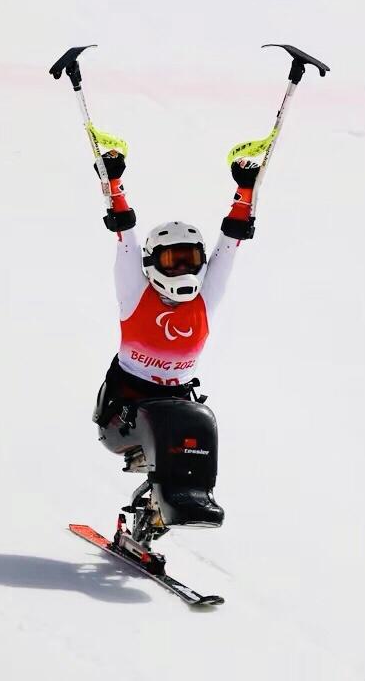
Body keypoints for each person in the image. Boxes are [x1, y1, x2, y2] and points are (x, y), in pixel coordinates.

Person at [91, 149, 259, 545]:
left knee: (199, 420)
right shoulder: (134, 292)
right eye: (172, 261)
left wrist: (245, 188)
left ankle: (182, 505)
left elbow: (231, 244)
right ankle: (163, 504)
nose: (183, 270)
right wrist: (114, 182)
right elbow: (124, 234)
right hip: (121, 413)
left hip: (174, 404)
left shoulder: (206, 297)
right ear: (152, 265)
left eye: (190, 260)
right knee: (174, 422)